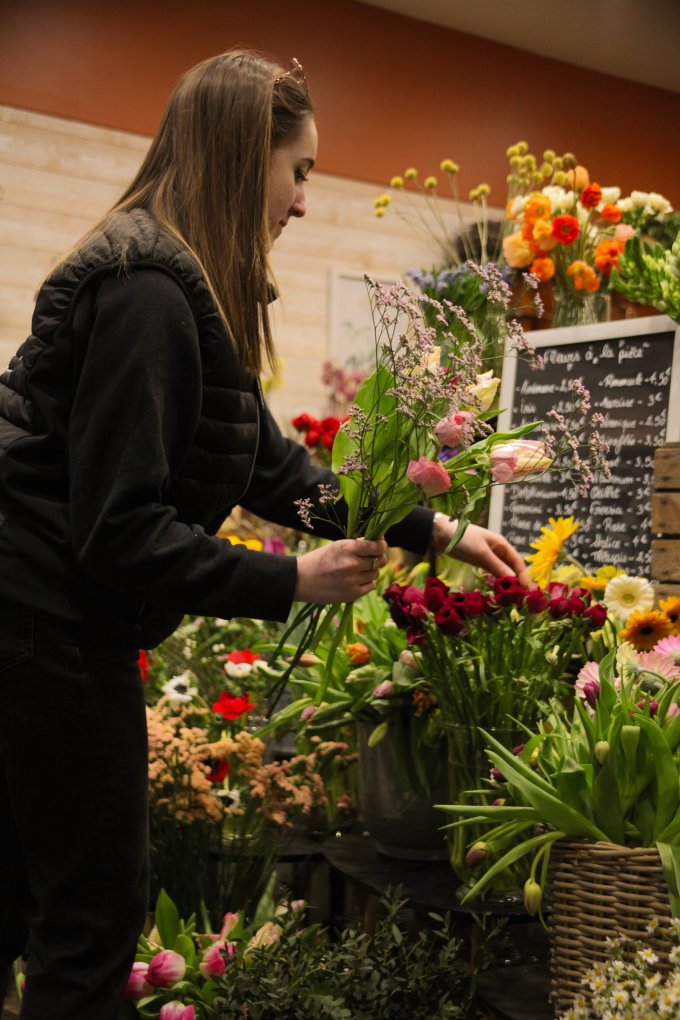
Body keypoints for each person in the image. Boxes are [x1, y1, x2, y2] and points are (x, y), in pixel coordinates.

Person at [0, 50, 528, 1019]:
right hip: (47, 639)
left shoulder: (178, 280)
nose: (298, 201)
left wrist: (440, 530)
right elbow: (118, 533)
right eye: (300, 171)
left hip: (38, 628)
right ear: (246, 157)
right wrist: (290, 583)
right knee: (87, 932)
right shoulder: (148, 291)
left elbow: (274, 472)